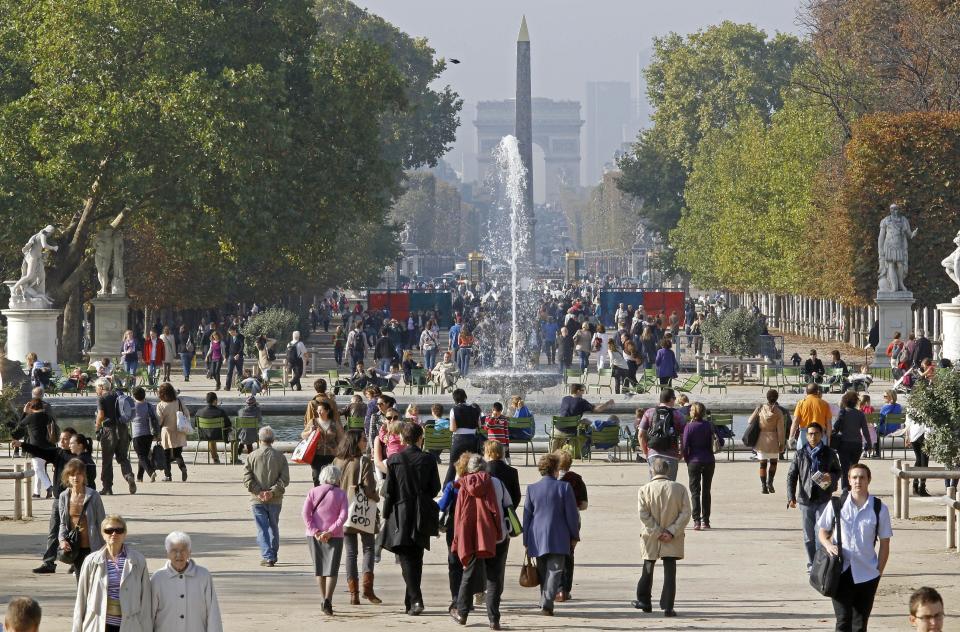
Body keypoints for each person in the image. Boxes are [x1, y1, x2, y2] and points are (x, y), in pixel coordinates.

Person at [818, 463, 892, 632]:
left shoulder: (879, 508)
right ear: (849, 480)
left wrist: (878, 572)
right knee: (843, 621)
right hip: (840, 572)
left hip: (867, 574)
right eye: (854, 477)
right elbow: (822, 532)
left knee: (860, 624)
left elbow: (885, 544)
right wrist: (828, 544)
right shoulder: (837, 503)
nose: (858, 481)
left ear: (869, 480)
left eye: (862, 477)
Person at [380, 423, 441, 616]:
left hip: (401, 510)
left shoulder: (395, 460)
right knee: (416, 555)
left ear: (403, 439)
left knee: (406, 556)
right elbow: (435, 488)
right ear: (420, 438)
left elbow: (389, 491)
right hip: (421, 510)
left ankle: (415, 599)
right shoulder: (429, 459)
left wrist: (386, 514)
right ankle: (411, 600)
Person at [449, 453, 512, 629]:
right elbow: (508, 505)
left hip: (472, 537)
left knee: (468, 574)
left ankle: (462, 613)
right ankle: (494, 619)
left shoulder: (463, 485)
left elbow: (459, 516)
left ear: (468, 470)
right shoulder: (496, 483)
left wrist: (457, 539)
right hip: (496, 536)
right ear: (485, 468)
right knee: (494, 578)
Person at [633, 456, 692, 617]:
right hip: (672, 536)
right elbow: (686, 513)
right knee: (670, 570)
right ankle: (668, 606)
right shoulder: (679, 489)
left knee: (648, 566)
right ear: (668, 470)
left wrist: (658, 531)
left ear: (652, 471)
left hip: (651, 535)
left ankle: (644, 600)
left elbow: (643, 514)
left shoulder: (645, 489)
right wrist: (671, 531)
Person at [522, 452, 580, 617]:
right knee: (555, 571)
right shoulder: (564, 487)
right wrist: (574, 536)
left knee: (542, 571)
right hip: (559, 535)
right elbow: (572, 516)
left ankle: (544, 601)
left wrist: (526, 539)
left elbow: (527, 516)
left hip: (536, 535)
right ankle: (547, 604)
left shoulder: (532, 489)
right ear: (556, 469)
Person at [73, 514, 152, 632]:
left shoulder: (138, 561)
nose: (114, 534)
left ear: (125, 534)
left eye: (119, 530)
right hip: (98, 624)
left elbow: (145, 601)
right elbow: (81, 599)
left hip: (129, 625)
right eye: (109, 530)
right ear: (103, 534)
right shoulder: (91, 561)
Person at [15, 427, 77, 573]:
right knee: (53, 532)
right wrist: (22, 444)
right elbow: (40, 451)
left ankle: (76, 561)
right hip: (58, 500)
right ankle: (49, 563)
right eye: (61, 438)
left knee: (75, 532)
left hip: (74, 500)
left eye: (66, 438)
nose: (62, 441)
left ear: (74, 440)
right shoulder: (58, 453)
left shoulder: (78, 458)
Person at [333, 431, 381, 606]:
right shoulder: (363, 461)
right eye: (363, 439)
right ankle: (368, 589)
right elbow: (368, 488)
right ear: (355, 442)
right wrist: (376, 497)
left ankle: (354, 594)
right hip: (362, 511)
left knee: (350, 553)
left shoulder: (336, 461)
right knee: (369, 547)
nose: (365, 441)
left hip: (342, 511)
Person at [787, 422, 842, 572]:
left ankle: (820, 562)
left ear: (821, 435)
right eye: (810, 434)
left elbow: (838, 471)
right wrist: (790, 496)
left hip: (823, 498)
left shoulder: (829, 453)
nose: (813, 436)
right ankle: (812, 563)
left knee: (821, 532)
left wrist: (829, 476)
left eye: (816, 433)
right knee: (808, 536)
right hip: (805, 499)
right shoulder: (800, 453)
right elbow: (792, 475)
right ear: (806, 435)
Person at [151, 531, 223, 632]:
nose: (179, 554)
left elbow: (213, 613)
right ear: (167, 553)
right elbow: (149, 615)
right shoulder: (158, 578)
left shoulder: (203, 576)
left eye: (183, 550)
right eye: (174, 550)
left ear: (189, 552)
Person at [302, 464, 349, 616]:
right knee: (332, 570)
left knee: (319, 569)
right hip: (334, 536)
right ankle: (329, 598)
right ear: (337, 477)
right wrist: (330, 531)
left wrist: (316, 531)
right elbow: (343, 516)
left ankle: (323, 599)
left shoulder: (313, 492)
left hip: (314, 535)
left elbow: (305, 514)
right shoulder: (341, 494)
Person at [243, 426, 290, 567]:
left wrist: (259, 492)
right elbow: (285, 479)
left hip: (257, 499)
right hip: (275, 499)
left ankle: (268, 555)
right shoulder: (280, 457)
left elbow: (247, 479)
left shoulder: (251, 456)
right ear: (273, 440)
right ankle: (273, 554)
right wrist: (272, 492)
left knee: (262, 528)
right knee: (273, 526)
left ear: (259, 439)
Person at [57, 458, 107, 578]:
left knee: (96, 581)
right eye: (72, 474)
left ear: (84, 476)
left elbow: (102, 522)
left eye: (79, 474)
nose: (75, 478)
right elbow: (63, 523)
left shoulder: (94, 496)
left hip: (93, 546)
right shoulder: (64, 496)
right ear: (67, 477)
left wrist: (107, 546)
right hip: (75, 546)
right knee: (81, 581)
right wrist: (62, 540)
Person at [93, 378, 136, 495]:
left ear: (101, 387)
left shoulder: (101, 398)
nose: (96, 390)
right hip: (122, 429)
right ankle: (129, 476)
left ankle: (107, 487)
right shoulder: (117, 395)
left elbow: (101, 415)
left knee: (107, 460)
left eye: (96, 387)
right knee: (123, 457)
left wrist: (97, 429)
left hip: (109, 431)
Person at [556, 449, 587, 602]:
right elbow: (584, 505)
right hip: (574, 518)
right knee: (569, 554)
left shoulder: (551, 479)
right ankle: (566, 590)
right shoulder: (577, 479)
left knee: (556, 553)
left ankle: (557, 587)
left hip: (555, 519)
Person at [681, 403, 717, 530]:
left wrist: (687, 459)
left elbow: (685, 447)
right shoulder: (709, 425)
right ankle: (706, 520)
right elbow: (720, 441)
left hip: (694, 461)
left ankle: (696, 521)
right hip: (709, 460)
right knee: (706, 491)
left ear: (693, 412)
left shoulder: (689, 427)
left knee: (695, 492)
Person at [638, 388, 686, 481]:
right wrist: (681, 453)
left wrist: (645, 452)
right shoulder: (678, 415)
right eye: (674, 398)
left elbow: (640, 435)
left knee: (654, 485)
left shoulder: (649, 412)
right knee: (670, 486)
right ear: (671, 399)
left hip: (653, 453)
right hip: (672, 454)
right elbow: (683, 436)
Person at [14, 397, 55, 498]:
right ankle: (36, 492)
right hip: (47, 446)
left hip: (35, 446)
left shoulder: (31, 417)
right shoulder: (47, 416)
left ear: (32, 407)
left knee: (37, 469)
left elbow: (20, 425)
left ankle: (49, 487)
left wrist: (24, 412)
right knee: (40, 469)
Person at [834, 390, 873, 492]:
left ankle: (845, 488)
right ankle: (853, 487)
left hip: (844, 443)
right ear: (856, 402)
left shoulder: (842, 412)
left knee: (844, 468)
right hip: (857, 444)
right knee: (853, 466)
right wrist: (869, 444)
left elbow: (835, 427)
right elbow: (865, 431)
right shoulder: (860, 414)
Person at [444, 389, 482, 486]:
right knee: (473, 465)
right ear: (465, 397)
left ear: (454, 399)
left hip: (459, 440)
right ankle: (473, 485)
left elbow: (453, 428)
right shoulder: (475, 408)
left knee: (453, 466)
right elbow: (479, 425)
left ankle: (447, 488)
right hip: (473, 439)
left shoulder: (454, 409)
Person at [751, 390, 786, 494]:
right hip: (774, 438)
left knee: (762, 464)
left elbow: (750, 421)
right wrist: (782, 443)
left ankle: (763, 486)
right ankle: (770, 482)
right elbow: (780, 430)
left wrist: (756, 410)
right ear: (777, 398)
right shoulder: (778, 412)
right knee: (774, 463)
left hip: (762, 438)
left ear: (767, 397)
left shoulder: (761, 408)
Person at [303, 400, 344, 487]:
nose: (319, 412)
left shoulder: (334, 423)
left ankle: (331, 495)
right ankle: (318, 494)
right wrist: (310, 431)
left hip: (332, 455)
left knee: (332, 478)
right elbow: (303, 435)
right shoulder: (313, 422)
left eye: (321, 410)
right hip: (316, 454)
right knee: (316, 476)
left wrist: (339, 451)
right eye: (318, 410)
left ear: (327, 411)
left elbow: (341, 439)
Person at [156, 382, 189, 482]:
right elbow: (187, 414)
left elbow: (159, 421)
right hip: (179, 430)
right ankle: (182, 467)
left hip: (167, 431)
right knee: (177, 453)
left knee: (166, 454)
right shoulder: (178, 402)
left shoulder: (161, 405)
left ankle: (168, 475)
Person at [129, 387, 160, 483]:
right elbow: (156, 418)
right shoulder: (150, 406)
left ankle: (151, 472)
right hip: (148, 434)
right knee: (144, 456)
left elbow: (128, 418)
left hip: (137, 434)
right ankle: (139, 477)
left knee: (141, 456)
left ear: (134, 396)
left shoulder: (133, 407)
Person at [790, 383, 833, 448]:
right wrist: (828, 438)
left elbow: (795, 421)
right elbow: (829, 423)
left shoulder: (801, 403)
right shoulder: (825, 404)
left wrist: (791, 436)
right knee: (820, 456)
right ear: (817, 391)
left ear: (806, 391)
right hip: (820, 434)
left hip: (805, 433)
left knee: (802, 456)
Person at [195, 392, 233, 465]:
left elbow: (196, 425)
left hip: (205, 436)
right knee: (233, 433)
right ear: (215, 401)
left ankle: (215, 458)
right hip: (220, 436)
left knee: (210, 434)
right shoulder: (221, 412)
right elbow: (229, 424)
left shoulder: (199, 412)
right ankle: (233, 458)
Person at [906, 414, 931, 497]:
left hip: (914, 434)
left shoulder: (911, 406)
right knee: (924, 461)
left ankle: (915, 485)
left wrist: (907, 436)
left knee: (919, 460)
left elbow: (908, 421)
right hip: (924, 433)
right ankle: (922, 488)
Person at [223, 325, 245, 392]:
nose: (231, 334)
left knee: (239, 372)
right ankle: (227, 387)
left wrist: (238, 354)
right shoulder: (229, 337)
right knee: (229, 372)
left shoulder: (241, 337)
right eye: (230, 333)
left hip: (239, 357)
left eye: (232, 332)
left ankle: (240, 387)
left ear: (235, 331)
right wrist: (225, 357)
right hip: (231, 356)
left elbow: (242, 346)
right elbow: (227, 347)